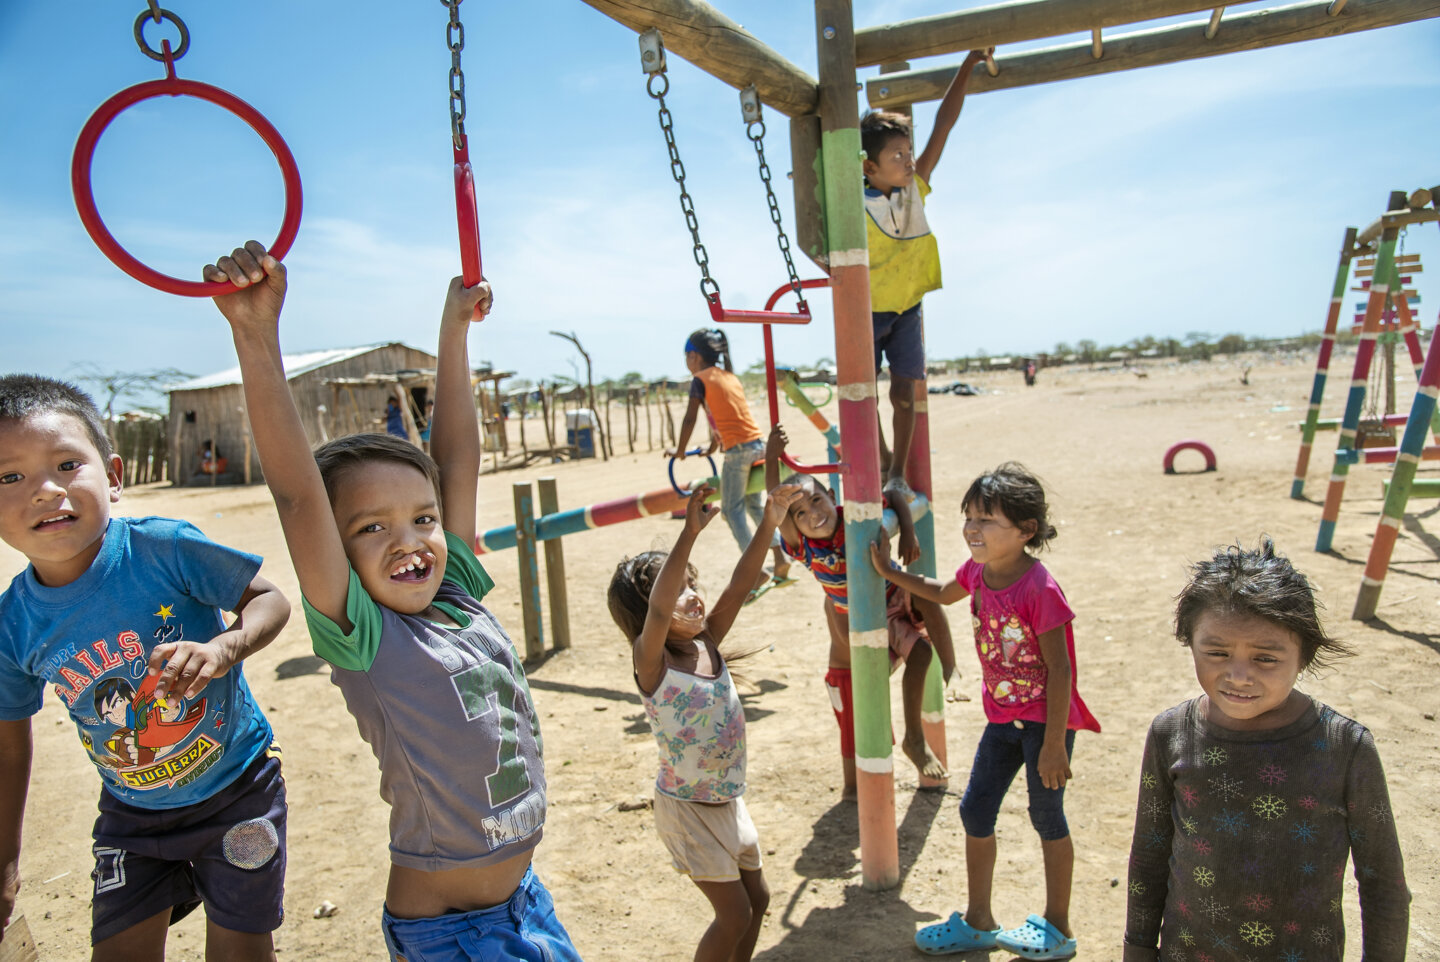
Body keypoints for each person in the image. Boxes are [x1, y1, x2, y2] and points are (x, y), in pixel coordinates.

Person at [206, 241, 579, 961]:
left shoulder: (459, 594)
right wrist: (255, 337)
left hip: (524, 904)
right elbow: (295, 494)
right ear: (337, 556)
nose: (408, 540)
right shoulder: (366, 634)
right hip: (454, 935)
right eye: (370, 528)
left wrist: (453, 330)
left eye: (423, 519)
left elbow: (456, 461)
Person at [0, 375, 292, 960]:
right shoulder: (13, 624)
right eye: (10, 476)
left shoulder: (163, 547)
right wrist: (5, 863)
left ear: (113, 476)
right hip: (132, 817)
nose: (44, 490)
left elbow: (269, 600)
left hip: (238, 790)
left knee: (239, 951)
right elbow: (9, 747)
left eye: (65, 465)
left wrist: (223, 650)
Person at [1124, 539, 1409, 960]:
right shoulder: (1171, 733)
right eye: (1217, 652)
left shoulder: (1344, 748)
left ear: (1304, 657)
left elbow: (1383, 883)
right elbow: (1149, 857)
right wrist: (1138, 949)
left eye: (1266, 659)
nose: (1238, 676)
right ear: (1189, 641)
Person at [869, 462, 1098, 959]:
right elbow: (940, 594)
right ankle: (979, 921)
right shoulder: (976, 572)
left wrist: (1056, 744)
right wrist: (890, 573)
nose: (972, 527)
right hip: (1002, 719)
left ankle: (1058, 928)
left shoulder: (1039, 588)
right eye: (969, 516)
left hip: (1043, 723)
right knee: (975, 809)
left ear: (1025, 531)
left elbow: (1061, 672)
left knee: (1047, 815)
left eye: (987, 519)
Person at [607, 479, 801, 962]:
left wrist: (771, 520)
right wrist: (688, 534)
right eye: (678, 591)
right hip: (688, 809)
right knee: (734, 914)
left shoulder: (708, 640)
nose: (691, 596)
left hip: (727, 800)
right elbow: (658, 606)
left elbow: (740, 582)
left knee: (758, 901)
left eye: (692, 584)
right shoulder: (651, 661)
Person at [766, 425, 955, 793]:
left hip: (896, 596)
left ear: (830, 495)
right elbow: (776, 504)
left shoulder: (854, 514)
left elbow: (894, 497)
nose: (812, 515)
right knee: (900, 663)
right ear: (794, 524)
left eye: (817, 501)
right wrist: (774, 455)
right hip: (868, 618)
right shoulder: (803, 547)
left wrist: (910, 536)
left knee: (926, 621)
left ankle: (946, 673)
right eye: (801, 513)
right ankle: (909, 736)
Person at [862, 48, 989, 490]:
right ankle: (879, 460)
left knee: (904, 394)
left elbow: (944, 125)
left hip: (907, 308)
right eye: (897, 155)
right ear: (868, 166)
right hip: (866, 309)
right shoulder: (853, 203)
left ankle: (896, 474)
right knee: (862, 395)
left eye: (908, 151)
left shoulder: (914, 187)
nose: (909, 160)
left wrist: (968, 64)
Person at [669, 328, 789, 585]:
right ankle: (780, 559)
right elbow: (724, 418)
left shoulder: (699, 379)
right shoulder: (728, 377)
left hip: (739, 451)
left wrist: (680, 451)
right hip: (758, 444)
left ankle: (756, 571)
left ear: (693, 356)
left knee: (731, 511)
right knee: (755, 505)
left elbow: (690, 418)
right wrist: (712, 449)